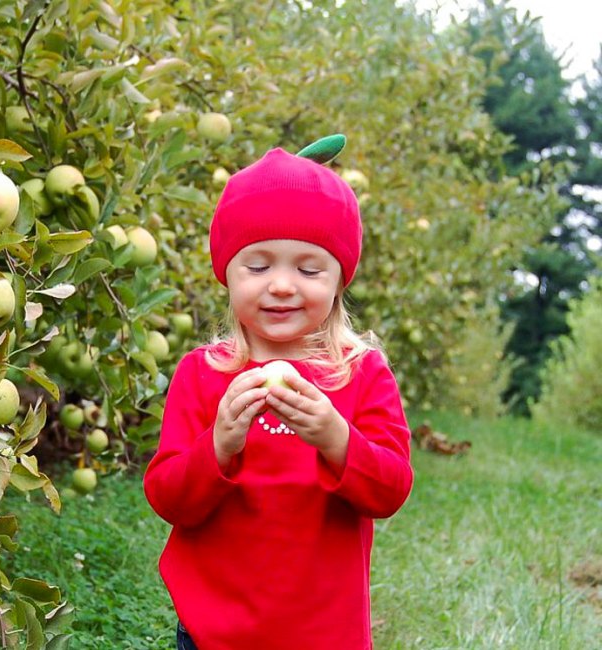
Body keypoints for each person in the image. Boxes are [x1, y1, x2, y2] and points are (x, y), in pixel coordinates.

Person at [143, 139, 414, 650]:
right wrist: (218, 445)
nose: (284, 286)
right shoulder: (202, 374)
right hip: (212, 630)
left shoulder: (360, 374)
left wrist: (338, 438)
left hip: (323, 633)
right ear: (228, 274)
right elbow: (168, 497)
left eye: (309, 269)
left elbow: (391, 489)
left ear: (338, 279)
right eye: (259, 266)